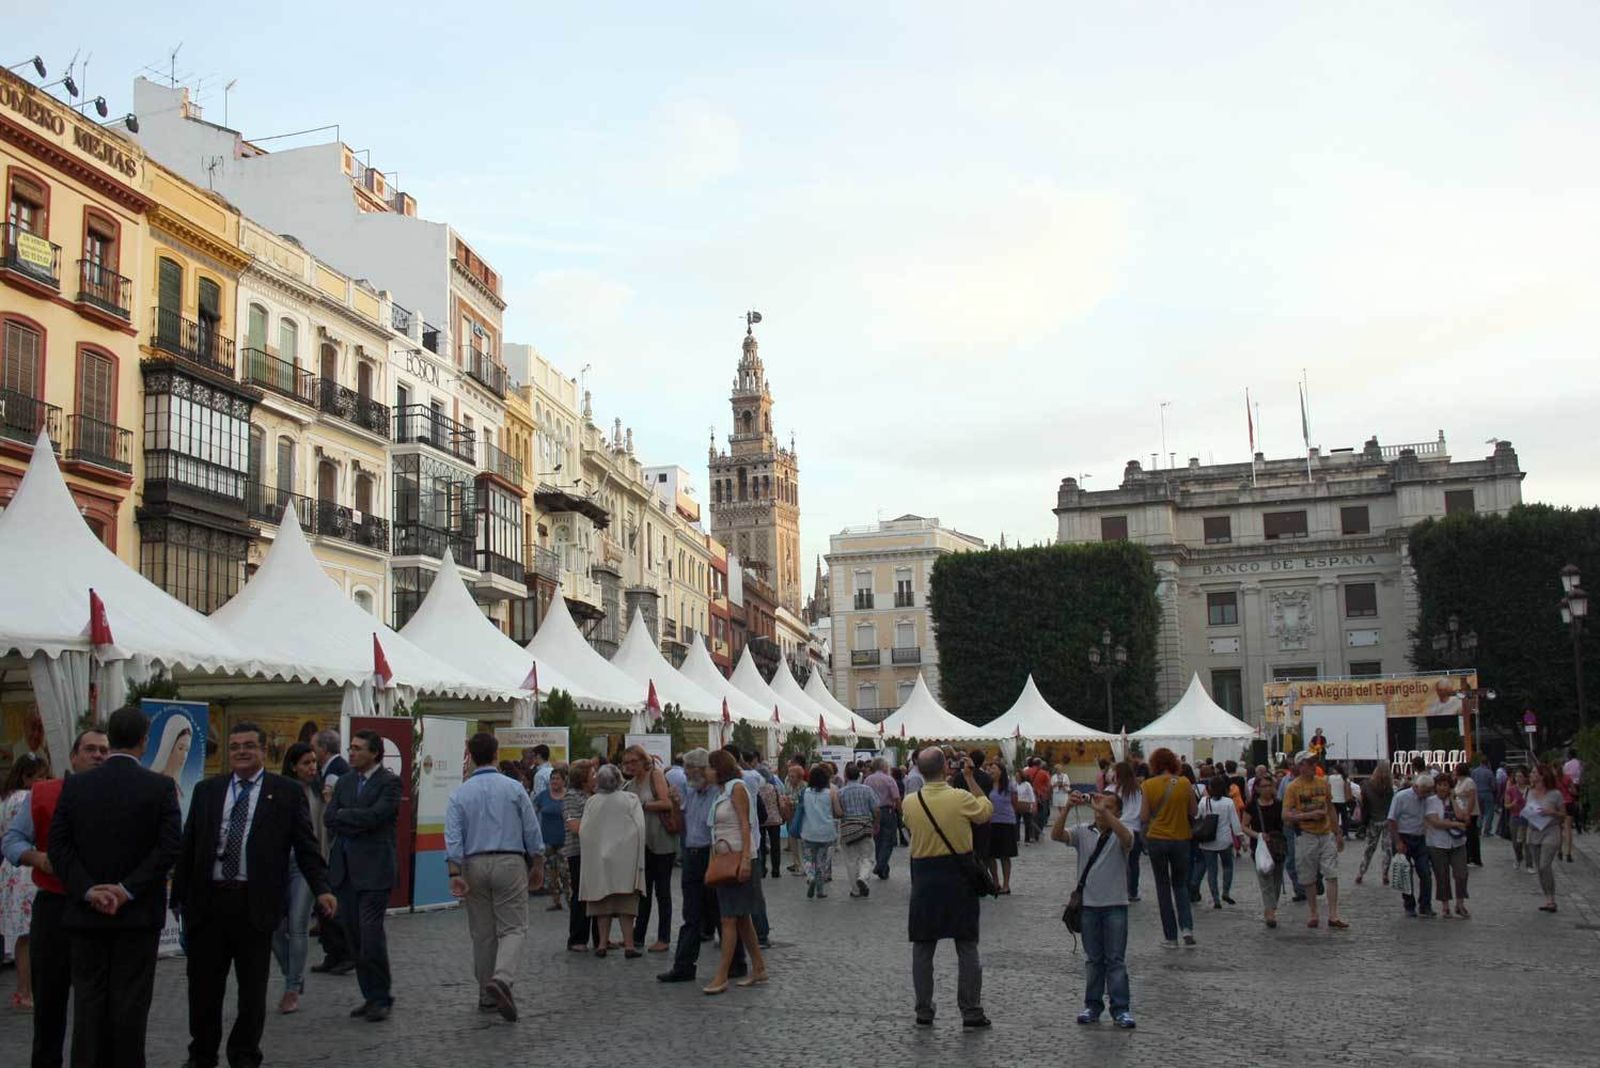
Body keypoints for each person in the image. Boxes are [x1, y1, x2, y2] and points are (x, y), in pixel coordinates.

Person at [173, 722, 335, 1068]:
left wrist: (322, 888)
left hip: (254, 904)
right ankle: (201, 1054)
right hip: (209, 903)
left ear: (264, 751)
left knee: (252, 990)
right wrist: (179, 898)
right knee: (203, 990)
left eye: (249, 745)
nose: (241, 752)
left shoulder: (285, 793)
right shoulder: (207, 791)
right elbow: (189, 846)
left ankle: (244, 1054)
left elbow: (306, 847)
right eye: (235, 747)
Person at [46, 706, 181, 1068]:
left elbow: (58, 847)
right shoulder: (160, 786)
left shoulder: (76, 785)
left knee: (88, 1006)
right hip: (136, 916)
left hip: (86, 914)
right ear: (144, 740)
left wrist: (89, 890)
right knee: (131, 1006)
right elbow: (169, 847)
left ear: (111, 737)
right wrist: (126, 889)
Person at [1, 729, 107, 1068]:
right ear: (73, 757)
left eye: (104, 750)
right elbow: (12, 841)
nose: (98, 755)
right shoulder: (44, 793)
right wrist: (37, 858)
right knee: (49, 1001)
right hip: (55, 905)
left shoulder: (123, 795)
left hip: (101, 909)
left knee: (94, 1005)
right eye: (90, 749)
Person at [444, 732, 542, 1020]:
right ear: (496, 753)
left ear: (470, 756)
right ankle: (502, 977)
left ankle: (487, 996)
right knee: (513, 927)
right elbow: (531, 829)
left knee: (483, 934)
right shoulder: (514, 788)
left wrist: (454, 871)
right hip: (510, 860)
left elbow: (452, 835)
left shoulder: (459, 793)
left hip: (474, 863)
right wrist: (537, 862)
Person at [902, 748, 992, 1028]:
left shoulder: (910, 801)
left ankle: (924, 1010)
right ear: (946, 768)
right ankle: (971, 1010)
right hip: (958, 877)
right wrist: (971, 777)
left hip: (925, 878)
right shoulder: (961, 797)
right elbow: (985, 812)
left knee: (922, 947)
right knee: (966, 945)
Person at [323, 729, 400, 1022]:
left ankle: (382, 996)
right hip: (345, 870)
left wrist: (346, 816)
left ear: (374, 753)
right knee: (354, 938)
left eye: (357, 748)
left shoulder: (389, 783)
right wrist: (350, 817)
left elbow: (377, 817)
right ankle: (370, 995)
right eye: (350, 748)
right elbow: (330, 818)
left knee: (370, 936)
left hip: (375, 871)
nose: (351, 753)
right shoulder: (344, 782)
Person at [1052, 789, 1135, 1029]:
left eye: (1109, 807)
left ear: (1118, 812)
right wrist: (1067, 808)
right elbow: (1057, 835)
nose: (1101, 812)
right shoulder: (1083, 831)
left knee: (1116, 960)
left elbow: (1127, 840)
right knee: (1094, 960)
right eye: (1100, 806)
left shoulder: (1123, 832)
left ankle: (1121, 1009)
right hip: (1089, 906)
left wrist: (1106, 816)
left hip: (1116, 904)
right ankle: (1092, 1005)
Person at [269, 743, 328, 1015]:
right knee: (275, 928)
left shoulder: (320, 791)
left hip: (306, 864)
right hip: (279, 862)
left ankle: (292, 988)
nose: (312, 767)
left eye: (314, 762)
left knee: (298, 924)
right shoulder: (279, 791)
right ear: (293, 765)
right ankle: (292, 972)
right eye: (306, 763)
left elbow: (323, 830)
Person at [702, 749, 767, 994]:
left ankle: (721, 975)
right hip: (726, 859)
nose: (706, 772)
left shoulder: (737, 788)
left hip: (739, 859)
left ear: (719, 768)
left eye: (709, 767)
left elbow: (745, 824)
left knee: (729, 918)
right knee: (740, 919)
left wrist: (746, 860)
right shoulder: (722, 792)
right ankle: (759, 967)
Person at [658, 749, 718, 983]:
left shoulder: (717, 793)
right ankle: (684, 965)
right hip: (692, 855)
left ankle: (736, 961)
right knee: (691, 913)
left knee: (718, 910)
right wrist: (675, 803)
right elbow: (680, 826)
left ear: (700, 769)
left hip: (710, 854)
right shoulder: (691, 793)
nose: (684, 773)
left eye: (687, 769)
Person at [577, 764, 646, 957]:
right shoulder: (631, 799)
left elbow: (585, 831)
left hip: (599, 860)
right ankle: (630, 946)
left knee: (602, 905)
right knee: (626, 906)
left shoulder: (592, 802)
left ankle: (601, 944)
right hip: (626, 860)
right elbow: (640, 828)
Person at [1, 753, 48, 1010]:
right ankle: (27, 990)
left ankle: (23, 990)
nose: (43, 781)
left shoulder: (5, 799)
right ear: (26, 777)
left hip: (10, 869)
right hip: (27, 870)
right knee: (30, 936)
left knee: (22, 936)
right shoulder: (27, 799)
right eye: (39, 777)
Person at [620, 745, 677, 954]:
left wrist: (642, 806)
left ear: (643, 760)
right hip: (641, 843)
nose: (630, 766)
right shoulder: (629, 784)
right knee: (642, 893)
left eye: (633, 761)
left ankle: (664, 937)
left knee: (662, 892)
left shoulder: (656, 776)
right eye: (626, 762)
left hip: (661, 840)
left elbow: (666, 803)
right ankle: (638, 936)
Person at [1140, 747, 1199, 949]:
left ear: (1155, 764)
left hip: (1157, 838)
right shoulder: (1184, 783)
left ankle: (1171, 937)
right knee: (1180, 885)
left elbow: (1144, 817)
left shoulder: (1148, 785)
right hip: (1181, 838)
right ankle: (1187, 928)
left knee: (1163, 887)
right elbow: (1194, 811)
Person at [1282, 752, 1346, 930]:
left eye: (1313, 762)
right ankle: (1314, 913)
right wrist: (1308, 815)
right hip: (1306, 835)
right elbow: (1285, 814)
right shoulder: (1293, 788)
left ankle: (1333, 915)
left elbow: (1331, 808)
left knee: (1331, 873)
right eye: (1309, 763)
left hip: (1326, 835)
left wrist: (1338, 832)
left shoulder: (1323, 783)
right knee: (1308, 877)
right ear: (1300, 766)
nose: (1313, 765)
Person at [308, 729, 352, 976]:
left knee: (332, 899)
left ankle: (341, 952)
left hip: (332, 847)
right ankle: (333, 952)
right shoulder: (333, 769)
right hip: (328, 846)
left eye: (314, 747)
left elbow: (330, 811)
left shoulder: (336, 772)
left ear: (323, 749)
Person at [561, 761, 599, 951]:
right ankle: (577, 938)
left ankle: (601, 938)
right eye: (593, 773)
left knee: (599, 893)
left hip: (597, 851)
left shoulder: (595, 794)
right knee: (581, 894)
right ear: (583, 777)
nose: (596, 776)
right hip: (579, 851)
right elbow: (574, 826)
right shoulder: (571, 797)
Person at [1241, 773, 1287, 928]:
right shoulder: (1252, 806)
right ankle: (1270, 911)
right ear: (1258, 789)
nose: (1268, 789)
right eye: (1264, 786)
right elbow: (1244, 826)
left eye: (1270, 786)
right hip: (1260, 847)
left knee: (1277, 880)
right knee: (1265, 878)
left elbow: (1285, 823)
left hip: (1278, 847)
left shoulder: (1279, 804)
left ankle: (1271, 907)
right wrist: (1258, 835)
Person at [1387, 773, 1436, 917]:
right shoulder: (1401, 797)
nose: (1426, 794)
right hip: (1404, 837)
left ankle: (1425, 905)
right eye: (1424, 791)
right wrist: (1397, 842)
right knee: (1405, 874)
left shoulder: (1428, 799)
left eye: (1428, 791)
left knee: (1425, 872)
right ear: (1415, 787)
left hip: (1420, 838)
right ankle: (1409, 905)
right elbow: (1391, 820)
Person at [1424, 773, 1470, 918]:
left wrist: (1452, 799)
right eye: (1440, 785)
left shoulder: (1456, 800)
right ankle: (1445, 906)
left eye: (1445, 785)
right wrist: (1455, 824)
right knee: (1442, 876)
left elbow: (1463, 816)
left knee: (1461, 873)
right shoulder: (1430, 801)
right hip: (1437, 843)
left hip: (1457, 843)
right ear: (1435, 787)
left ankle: (1460, 903)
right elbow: (1436, 822)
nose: (1442, 788)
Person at [1194, 775, 1242, 909]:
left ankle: (1216, 899)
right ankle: (1226, 891)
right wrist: (1240, 838)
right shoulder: (1228, 802)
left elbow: (1197, 816)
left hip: (1208, 841)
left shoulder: (1204, 801)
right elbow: (1235, 822)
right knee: (1228, 866)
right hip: (1225, 840)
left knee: (1212, 870)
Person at [1524, 764, 1566, 913]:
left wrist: (1552, 812)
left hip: (1550, 831)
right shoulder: (1529, 791)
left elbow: (1563, 815)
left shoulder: (1555, 794)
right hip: (1534, 832)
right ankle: (1548, 898)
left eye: (1534, 772)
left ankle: (1552, 899)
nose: (1531, 774)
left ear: (1542, 776)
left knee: (1544, 865)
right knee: (1539, 868)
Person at [798, 764, 842, 898]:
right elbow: (838, 812)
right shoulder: (831, 793)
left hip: (808, 831)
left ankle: (810, 876)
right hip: (826, 833)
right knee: (821, 861)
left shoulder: (804, 792)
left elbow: (801, 810)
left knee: (807, 858)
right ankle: (820, 890)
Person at [837, 763, 879, 898]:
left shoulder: (841, 792)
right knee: (868, 857)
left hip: (848, 828)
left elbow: (837, 812)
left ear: (846, 776)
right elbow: (876, 809)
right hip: (865, 826)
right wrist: (876, 823)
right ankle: (863, 876)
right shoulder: (867, 790)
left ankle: (855, 890)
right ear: (859, 775)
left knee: (851, 860)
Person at [532, 766, 569, 911]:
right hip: (547, 840)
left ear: (564, 781)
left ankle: (570, 899)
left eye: (557, 779)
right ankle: (556, 901)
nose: (554, 781)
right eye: (552, 779)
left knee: (566, 872)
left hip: (565, 841)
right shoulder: (543, 796)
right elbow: (532, 812)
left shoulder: (568, 796)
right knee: (551, 873)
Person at [1108, 762, 1144, 902]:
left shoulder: (1116, 790)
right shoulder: (1139, 789)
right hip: (1135, 828)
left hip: (1119, 828)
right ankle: (1133, 891)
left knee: (1117, 861)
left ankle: (1118, 889)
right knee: (1134, 863)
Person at [1355, 765, 1394, 885]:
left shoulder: (1367, 786)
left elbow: (1362, 802)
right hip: (1387, 821)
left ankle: (1361, 873)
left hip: (1373, 821)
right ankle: (1385, 873)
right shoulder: (1389, 789)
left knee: (1369, 849)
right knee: (1387, 849)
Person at [984, 760, 1019, 893]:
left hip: (1006, 822)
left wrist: (1012, 816)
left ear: (1001, 771)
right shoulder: (988, 785)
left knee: (1005, 855)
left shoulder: (1009, 786)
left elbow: (1015, 803)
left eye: (993, 768)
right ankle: (995, 882)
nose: (991, 771)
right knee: (990, 855)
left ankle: (1006, 884)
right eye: (989, 769)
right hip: (991, 822)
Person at [864, 758, 901, 879]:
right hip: (887, 811)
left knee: (877, 840)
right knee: (888, 840)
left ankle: (883, 867)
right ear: (884, 766)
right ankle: (881, 865)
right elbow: (896, 797)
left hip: (873, 811)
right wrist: (900, 812)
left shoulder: (868, 779)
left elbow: (866, 795)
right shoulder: (889, 779)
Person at [1450, 762, 1483, 868]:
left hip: (1470, 812)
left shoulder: (1469, 782)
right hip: (1461, 811)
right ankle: (1467, 856)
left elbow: (1471, 798)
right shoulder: (1459, 782)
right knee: (1466, 836)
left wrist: (1468, 813)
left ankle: (1474, 858)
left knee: (1471, 836)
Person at [781, 764, 806, 875]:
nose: (790, 779)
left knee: (802, 842)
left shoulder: (804, 787)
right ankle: (796, 864)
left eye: (793, 776)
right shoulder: (788, 785)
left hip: (801, 817)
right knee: (793, 841)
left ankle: (803, 866)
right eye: (789, 776)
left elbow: (804, 803)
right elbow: (786, 795)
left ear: (800, 777)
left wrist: (791, 802)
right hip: (791, 816)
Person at [1504, 768, 1531, 871]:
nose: (1518, 779)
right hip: (1515, 817)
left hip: (1527, 817)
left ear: (1525, 778)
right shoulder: (1511, 790)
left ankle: (1529, 864)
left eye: (1520, 776)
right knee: (1516, 842)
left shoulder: (1530, 790)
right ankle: (1518, 857)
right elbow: (1506, 805)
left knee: (1527, 842)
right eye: (1516, 776)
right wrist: (1512, 804)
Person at [1014, 768, 1038, 845]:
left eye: (1018, 776)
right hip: (1017, 805)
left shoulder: (1027, 784)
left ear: (1021, 777)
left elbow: (1031, 795)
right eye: (1016, 776)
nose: (1017, 778)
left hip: (1026, 805)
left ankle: (1027, 840)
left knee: (1027, 823)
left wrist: (1033, 805)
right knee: (1016, 823)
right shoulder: (1015, 785)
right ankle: (1017, 839)